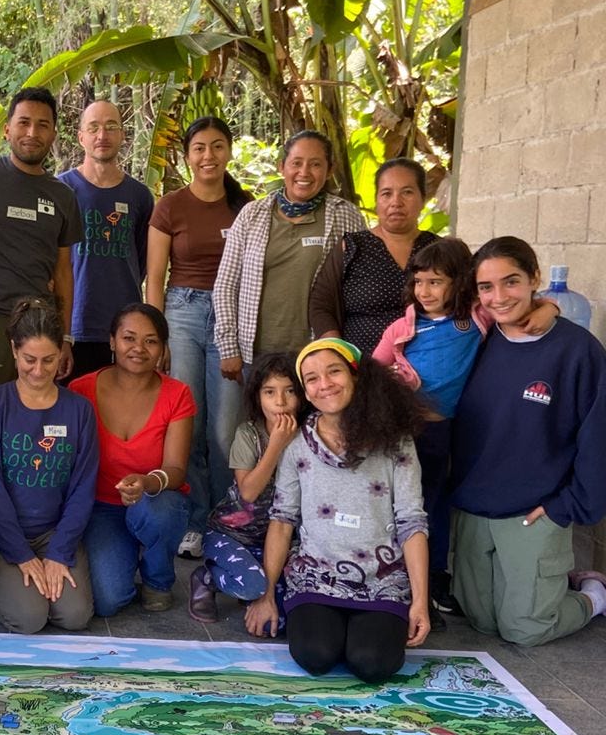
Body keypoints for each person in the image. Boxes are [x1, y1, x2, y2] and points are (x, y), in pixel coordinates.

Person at [374, 238, 558, 613]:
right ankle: (396, 575)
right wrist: (391, 381)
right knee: (405, 503)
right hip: (408, 432)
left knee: (439, 503)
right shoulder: (403, 328)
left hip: (451, 431)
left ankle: (435, 577)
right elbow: (371, 371)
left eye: (435, 282)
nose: (424, 291)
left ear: (459, 282)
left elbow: (522, 306)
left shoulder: (475, 318)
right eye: (419, 282)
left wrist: (549, 309)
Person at [449, 236, 606, 647]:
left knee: (525, 627)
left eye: (511, 282)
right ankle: (547, 584)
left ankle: (593, 594)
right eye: (486, 287)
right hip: (473, 505)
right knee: (481, 620)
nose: (499, 297)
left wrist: (566, 507)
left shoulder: (577, 351)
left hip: (534, 510)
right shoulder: (477, 339)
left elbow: (597, 440)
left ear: (535, 278)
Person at [246, 340, 431, 682]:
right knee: (315, 656)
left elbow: (412, 521)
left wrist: (420, 601)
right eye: (312, 378)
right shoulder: (296, 442)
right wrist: (266, 594)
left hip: (382, 578)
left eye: (334, 371)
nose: (325, 384)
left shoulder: (396, 440)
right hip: (316, 575)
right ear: (306, 391)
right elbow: (282, 520)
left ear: (356, 376)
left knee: (372, 663)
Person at [145, 114, 253, 558]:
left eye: (217, 146)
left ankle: (227, 522)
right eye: (199, 148)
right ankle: (193, 521)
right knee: (185, 424)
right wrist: (157, 336)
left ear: (229, 151)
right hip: (182, 315)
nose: (209, 156)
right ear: (187, 155)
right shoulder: (170, 206)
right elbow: (155, 277)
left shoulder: (246, 206)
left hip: (232, 318)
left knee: (225, 430)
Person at [0, 87, 82, 404]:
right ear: (7, 129)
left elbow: (64, 271)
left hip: (40, 324)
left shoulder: (63, 196)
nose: (32, 133)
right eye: (24, 122)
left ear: (53, 134)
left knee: (36, 411)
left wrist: (64, 336)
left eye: (42, 125)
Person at [0, 298, 99, 633]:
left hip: (53, 532)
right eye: (30, 359)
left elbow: (83, 487)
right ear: (14, 350)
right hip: (1, 534)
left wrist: (59, 552)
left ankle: (33, 576)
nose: (39, 371)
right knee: (29, 618)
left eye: (49, 360)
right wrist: (20, 553)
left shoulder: (79, 410)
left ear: (61, 354)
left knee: (74, 616)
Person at [214, 128, 367, 388]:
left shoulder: (345, 215)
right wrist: (229, 347)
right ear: (282, 166)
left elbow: (358, 286)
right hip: (254, 355)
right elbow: (226, 284)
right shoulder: (253, 214)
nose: (304, 173)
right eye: (296, 163)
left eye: (315, 164)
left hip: (317, 353)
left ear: (330, 169)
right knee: (252, 415)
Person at [68, 303, 194, 614]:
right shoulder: (80, 390)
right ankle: (127, 554)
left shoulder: (177, 394)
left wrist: (147, 483)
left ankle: (157, 579)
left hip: (155, 501)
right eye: (129, 338)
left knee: (157, 512)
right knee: (107, 600)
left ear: (162, 348)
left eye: (151, 341)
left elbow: (176, 469)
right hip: (101, 507)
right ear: (112, 341)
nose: (139, 348)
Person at [188, 352, 305, 626]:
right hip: (230, 535)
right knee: (253, 587)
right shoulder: (248, 434)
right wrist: (276, 445)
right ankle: (206, 577)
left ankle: (254, 577)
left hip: (277, 542)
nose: (280, 401)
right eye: (269, 392)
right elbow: (248, 494)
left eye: (290, 391)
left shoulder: (308, 437)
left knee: (281, 619)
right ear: (257, 397)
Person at [56, 98, 153, 379]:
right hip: (75, 324)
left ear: (122, 135)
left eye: (111, 127)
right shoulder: (61, 189)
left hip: (125, 328)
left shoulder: (139, 196)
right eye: (94, 127)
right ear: (81, 137)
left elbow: (142, 259)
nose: (102, 135)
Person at [310, 157, 437, 355]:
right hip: (364, 365)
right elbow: (320, 305)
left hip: (432, 363)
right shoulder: (352, 247)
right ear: (377, 200)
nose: (396, 202)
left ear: (423, 198)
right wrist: (338, 352)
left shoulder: (439, 249)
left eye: (407, 192)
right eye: (387, 193)